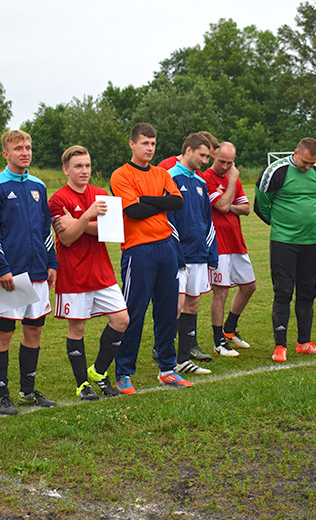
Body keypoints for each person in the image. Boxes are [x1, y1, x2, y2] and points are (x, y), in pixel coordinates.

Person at [0, 130, 58, 415]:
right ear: (6, 153)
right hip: (11, 275)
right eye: (18, 148)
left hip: (38, 273)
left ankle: (27, 391)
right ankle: (2, 396)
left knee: (34, 330)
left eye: (28, 147)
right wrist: (1, 268)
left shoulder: (38, 185)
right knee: (4, 333)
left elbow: (45, 227)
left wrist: (51, 263)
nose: (25, 152)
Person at [110, 123, 191, 394]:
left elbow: (178, 202)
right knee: (134, 312)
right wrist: (158, 201)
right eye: (145, 143)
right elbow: (133, 211)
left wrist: (146, 199)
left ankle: (167, 369)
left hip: (166, 247)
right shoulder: (121, 174)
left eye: (153, 143)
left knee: (167, 310)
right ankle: (124, 372)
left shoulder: (161, 173)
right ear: (132, 144)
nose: (150, 148)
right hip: (138, 250)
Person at [49, 146, 130, 400]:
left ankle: (98, 371)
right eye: (78, 166)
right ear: (66, 170)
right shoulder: (58, 200)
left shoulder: (101, 194)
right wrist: (88, 217)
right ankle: (82, 384)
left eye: (87, 165)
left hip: (101, 269)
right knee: (77, 328)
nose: (84, 171)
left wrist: (77, 222)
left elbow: (112, 232)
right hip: (73, 272)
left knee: (121, 319)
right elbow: (67, 239)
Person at [254, 138, 316, 363]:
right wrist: (281, 225)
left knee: (308, 291)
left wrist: (306, 221)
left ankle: (304, 342)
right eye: (305, 162)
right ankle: (280, 346)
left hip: (311, 241)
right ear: (296, 153)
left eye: (312, 163)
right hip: (283, 242)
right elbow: (261, 204)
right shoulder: (276, 171)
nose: (308, 167)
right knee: (283, 290)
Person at [200, 141, 256, 357]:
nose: (225, 166)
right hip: (218, 243)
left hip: (236, 241)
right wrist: (231, 182)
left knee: (249, 286)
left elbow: (246, 208)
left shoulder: (234, 179)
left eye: (229, 163)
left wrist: (228, 203)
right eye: (222, 161)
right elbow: (222, 206)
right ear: (214, 156)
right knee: (221, 292)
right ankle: (218, 342)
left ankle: (229, 329)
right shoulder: (206, 178)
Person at [167, 133, 217, 374]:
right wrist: (176, 252)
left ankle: (183, 359)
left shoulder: (200, 182)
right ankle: (166, 359)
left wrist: (211, 253)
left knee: (193, 303)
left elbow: (208, 220)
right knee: (175, 305)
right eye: (202, 156)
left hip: (198, 254)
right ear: (188, 150)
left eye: (208, 157)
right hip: (178, 255)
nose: (205, 161)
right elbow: (168, 220)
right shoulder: (169, 178)